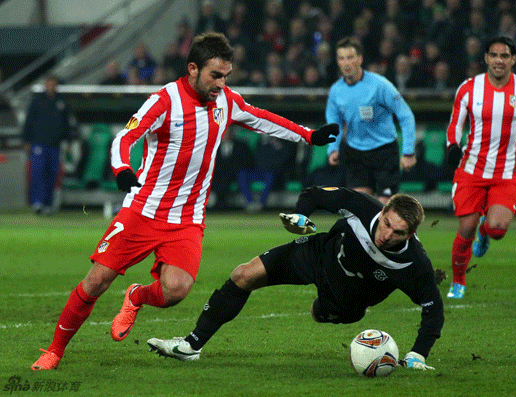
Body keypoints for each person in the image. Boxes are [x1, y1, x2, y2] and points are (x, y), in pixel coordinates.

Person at [31, 32, 339, 370]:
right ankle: (55, 351)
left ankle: (136, 296)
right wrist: (121, 168)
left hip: (187, 219)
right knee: (96, 281)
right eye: (215, 75)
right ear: (193, 68)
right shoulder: (164, 100)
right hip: (144, 209)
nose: (222, 84)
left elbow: (261, 119)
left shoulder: (226, 101)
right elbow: (126, 136)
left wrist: (308, 135)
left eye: (226, 76)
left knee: (176, 290)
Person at [147, 186, 444, 371]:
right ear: (383, 210)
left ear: (411, 234)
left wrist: (418, 353)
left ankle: (336, 310)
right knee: (243, 274)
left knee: (318, 314)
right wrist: (301, 216)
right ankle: (192, 345)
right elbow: (314, 194)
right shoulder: (361, 205)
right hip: (318, 254)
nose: (387, 234)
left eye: (398, 233)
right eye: (387, 224)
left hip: (347, 296)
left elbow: (434, 309)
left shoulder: (413, 263)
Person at [445, 36, 516, 299]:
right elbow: (455, 124)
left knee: (498, 229)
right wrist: (452, 146)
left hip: (507, 172)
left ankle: (485, 232)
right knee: (465, 228)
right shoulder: (468, 88)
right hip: (472, 169)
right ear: (486, 58)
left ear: (513, 60)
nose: (499, 60)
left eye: (505, 55)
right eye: (494, 55)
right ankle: (458, 281)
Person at [326, 36, 417, 204]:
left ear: (359, 59)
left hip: (384, 151)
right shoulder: (336, 91)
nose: (346, 63)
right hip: (355, 152)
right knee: (359, 208)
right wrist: (333, 148)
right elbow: (334, 121)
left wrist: (408, 151)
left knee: (384, 210)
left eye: (350, 57)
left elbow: (406, 116)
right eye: (341, 58)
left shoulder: (380, 85)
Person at [22, 74, 76, 215]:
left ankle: (47, 203)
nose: (51, 86)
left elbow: (67, 124)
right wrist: (26, 140)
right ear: (45, 84)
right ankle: (37, 202)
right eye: (49, 83)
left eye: (54, 83)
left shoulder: (62, 102)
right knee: (38, 172)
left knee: (52, 174)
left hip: (55, 144)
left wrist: (69, 140)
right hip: (39, 143)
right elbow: (29, 121)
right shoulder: (37, 101)